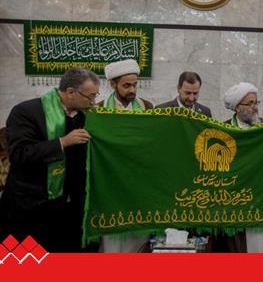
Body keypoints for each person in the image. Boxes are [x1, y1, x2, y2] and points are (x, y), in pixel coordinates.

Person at [0, 67, 100, 252]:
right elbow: (20, 153)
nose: (93, 102)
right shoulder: (26, 112)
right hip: (33, 207)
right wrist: (62, 142)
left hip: (71, 209)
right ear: (70, 92)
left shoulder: (87, 116)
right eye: (90, 97)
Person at [97, 59, 152, 253]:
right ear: (113, 84)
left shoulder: (146, 107)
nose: (132, 90)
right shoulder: (100, 109)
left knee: (137, 237)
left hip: (138, 181)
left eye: (135, 85)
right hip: (112, 182)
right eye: (126, 85)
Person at [222, 82, 263, 253]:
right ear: (237, 108)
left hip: (261, 193)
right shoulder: (223, 128)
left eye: (256, 102)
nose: (255, 107)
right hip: (235, 194)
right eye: (250, 103)